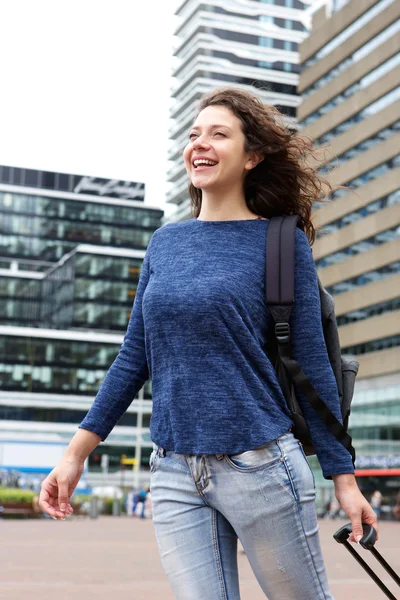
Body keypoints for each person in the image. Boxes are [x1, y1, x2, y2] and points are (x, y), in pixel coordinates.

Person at [39, 87, 378, 599]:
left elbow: (313, 366)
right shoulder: (165, 244)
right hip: (174, 469)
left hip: (261, 465)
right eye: (194, 134)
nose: (200, 143)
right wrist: (75, 454)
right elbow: (135, 355)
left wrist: (344, 481)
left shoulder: (281, 243)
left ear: (252, 156)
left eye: (219, 134)